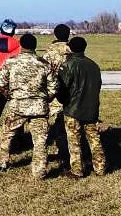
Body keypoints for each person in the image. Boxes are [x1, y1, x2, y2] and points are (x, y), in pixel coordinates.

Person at [0, 33, 56, 179]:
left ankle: (1, 163)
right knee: (40, 140)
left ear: (21, 46)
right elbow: (53, 86)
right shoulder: (44, 64)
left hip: (17, 106)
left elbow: (1, 81)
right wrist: (45, 98)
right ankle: (39, 171)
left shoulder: (11, 62)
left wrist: (9, 95)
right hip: (39, 107)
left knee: (6, 134)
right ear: (35, 46)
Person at [57, 36, 106, 178]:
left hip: (73, 110)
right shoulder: (94, 65)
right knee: (95, 139)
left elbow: (62, 88)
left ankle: (77, 170)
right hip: (91, 108)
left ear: (70, 48)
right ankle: (100, 168)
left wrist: (63, 101)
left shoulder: (68, 65)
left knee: (74, 142)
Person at [42, 24, 72, 157]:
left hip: (54, 93)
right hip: (72, 93)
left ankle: (61, 149)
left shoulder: (49, 54)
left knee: (57, 122)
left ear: (55, 35)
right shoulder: (74, 51)